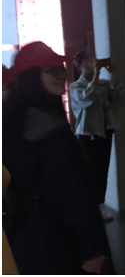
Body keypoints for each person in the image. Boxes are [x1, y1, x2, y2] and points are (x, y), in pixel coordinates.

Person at [3, 42, 111, 274]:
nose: (61, 74)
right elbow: (73, 197)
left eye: (60, 67)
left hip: (24, 238)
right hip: (58, 240)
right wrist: (90, 250)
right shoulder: (51, 131)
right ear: (32, 77)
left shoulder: (11, 120)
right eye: (51, 70)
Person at [70, 50, 125, 222]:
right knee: (89, 172)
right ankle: (89, 206)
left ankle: (99, 205)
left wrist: (114, 74)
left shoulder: (103, 83)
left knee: (102, 171)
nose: (93, 62)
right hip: (87, 134)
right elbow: (85, 99)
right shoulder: (75, 86)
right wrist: (95, 76)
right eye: (88, 60)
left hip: (105, 131)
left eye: (93, 59)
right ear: (79, 66)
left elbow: (117, 95)